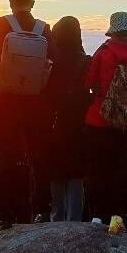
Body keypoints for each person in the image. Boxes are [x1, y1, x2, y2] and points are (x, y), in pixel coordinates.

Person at [0, 0, 53, 230]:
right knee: (38, 157)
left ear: (9, 2)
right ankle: (42, 211)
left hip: (4, 101)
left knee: (7, 156)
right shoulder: (43, 28)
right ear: (33, 3)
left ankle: (5, 216)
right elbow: (56, 57)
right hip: (36, 102)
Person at [84, 11, 127, 229]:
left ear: (113, 31)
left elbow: (89, 81)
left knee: (100, 169)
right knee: (125, 173)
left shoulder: (103, 52)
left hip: (100, 121)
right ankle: (118, 219)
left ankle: (98, 216)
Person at [41, 16, 92, 222]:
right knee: (76, 175)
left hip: (53, 122)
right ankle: (75, 221)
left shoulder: (51, 60)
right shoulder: (86, 61)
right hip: (80, 124)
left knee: (56, 173)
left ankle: (56, 218)